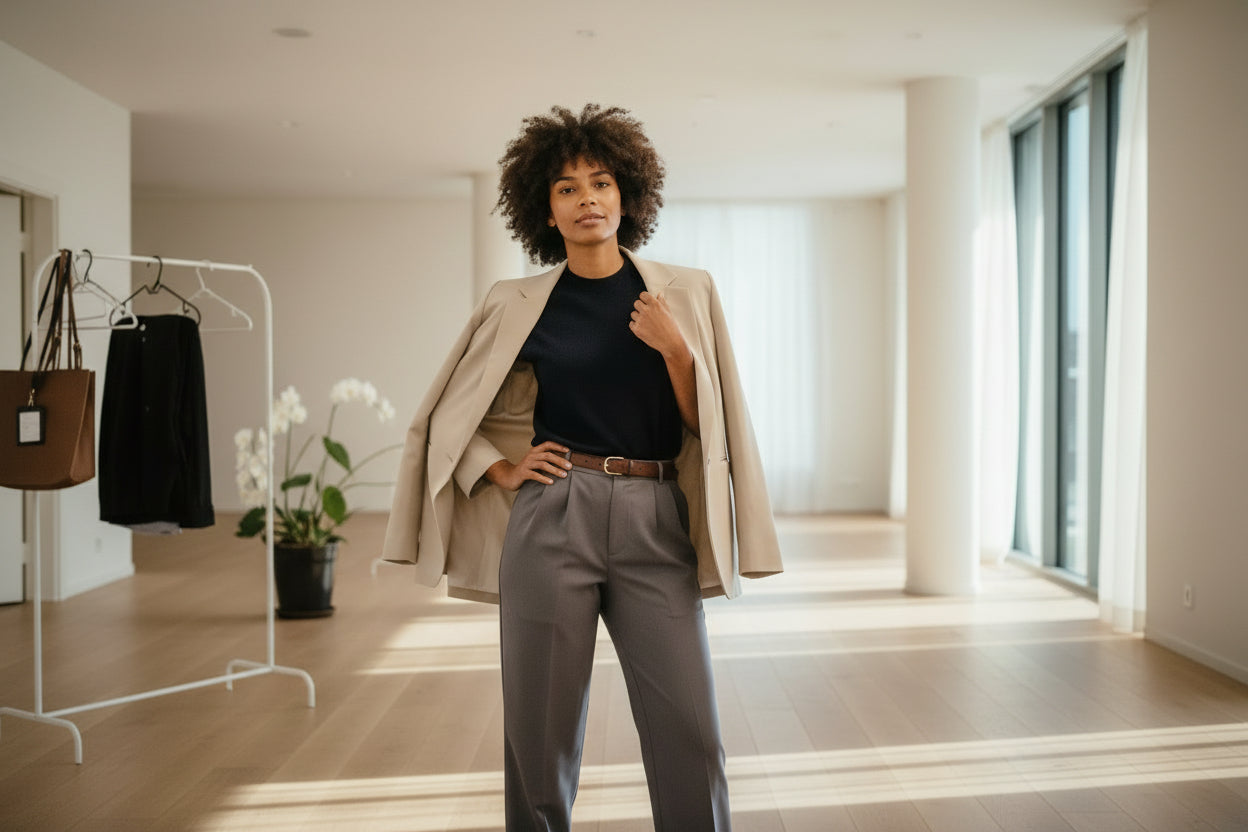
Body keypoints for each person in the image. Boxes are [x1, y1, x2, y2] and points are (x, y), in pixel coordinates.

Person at [383, 104, 782, 832]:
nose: (587, 199)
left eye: (600, 183)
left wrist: (678, 353)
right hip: (552, 516)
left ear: (628, 194)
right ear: (546, 207)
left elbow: (706, 427)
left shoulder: (684, 292)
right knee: (540, 737)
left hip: (655, 514)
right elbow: (448, 411)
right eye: (567, 188)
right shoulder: (516, 303)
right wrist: (499, 468)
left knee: (690, 729)